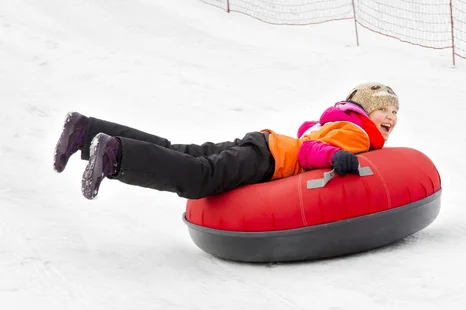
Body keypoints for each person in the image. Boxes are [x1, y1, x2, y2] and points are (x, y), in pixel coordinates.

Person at [53, 83, 399, 200]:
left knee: (179, 152)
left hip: (264, 145)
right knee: (200, 177)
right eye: (383, 110)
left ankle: (85, 132)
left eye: (395, 113)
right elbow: (309, 150)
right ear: (365, 112)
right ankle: (115, 154)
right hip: (269, 158)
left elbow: (308, 135)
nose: (391, 118)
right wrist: (336, 158)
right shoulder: (355, 133)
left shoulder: (336, 123)